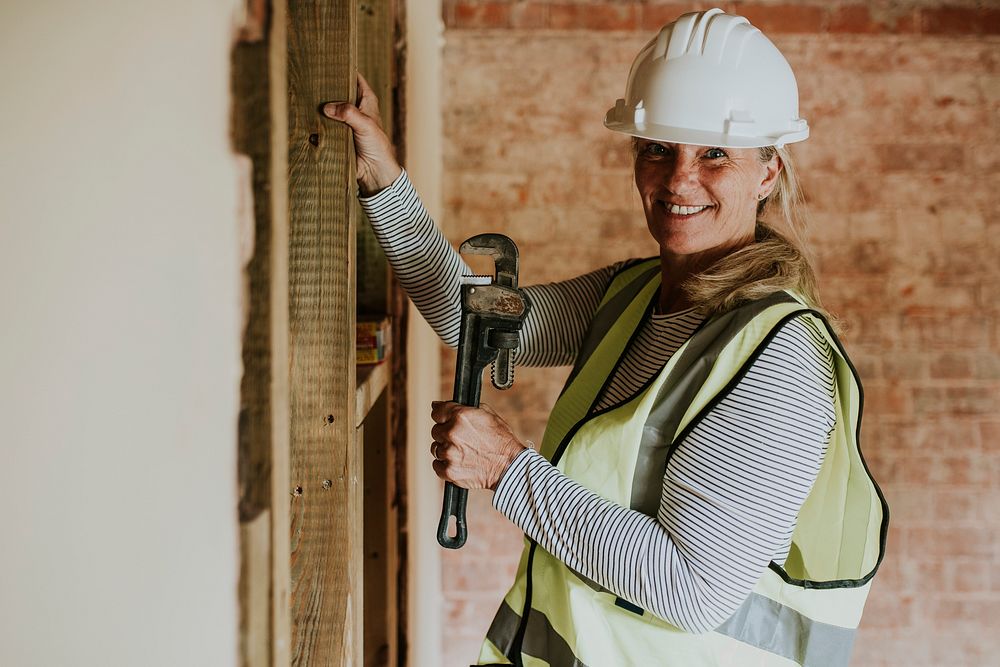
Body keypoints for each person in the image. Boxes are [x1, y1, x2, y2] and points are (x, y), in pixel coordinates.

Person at [325, 8, 888, 666]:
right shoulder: (633, 293)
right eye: (659, 148)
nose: (679, 179)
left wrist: (506, 469)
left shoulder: (780, 360)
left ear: (767, 171)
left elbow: (693, 589)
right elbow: (472, 320)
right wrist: (385, 182)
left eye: (713, 153)